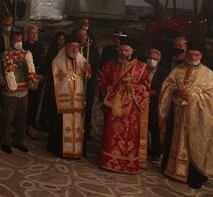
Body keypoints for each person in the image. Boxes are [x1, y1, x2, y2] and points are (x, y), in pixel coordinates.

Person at [159, 42, 212, 189]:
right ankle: (171, 169)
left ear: (201, 56)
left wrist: (191, 96)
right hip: (177, 115)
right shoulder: (178, 69)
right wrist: (175, 91)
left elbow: (211, 98)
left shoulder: (208, 74)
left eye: (196, 55)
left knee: (193, 144)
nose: (193, 57)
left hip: (196, 119)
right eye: (190, 54)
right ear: (186, 54)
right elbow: (167, 85)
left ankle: (194, 176)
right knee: (173, 140)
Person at [98, 35, 149, 173]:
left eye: (126, 50)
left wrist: (132, 88)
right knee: (111, 133)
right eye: (121, 50)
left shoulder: (141, 67)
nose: (123, 53)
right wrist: (108, 89)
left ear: (132, 51)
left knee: (129, 136)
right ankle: (108, 161)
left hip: (131, 109)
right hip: (113, 105)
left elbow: (146, 87)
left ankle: (127, 164)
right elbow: (102, 79)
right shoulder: (110, 64)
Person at [47, 32, 90, 159]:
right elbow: (54, 82)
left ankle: (77, 150)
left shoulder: (82, 60)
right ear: (66, 47)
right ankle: (60, 150)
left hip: (78, 100)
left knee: (78, 126)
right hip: (62, 101)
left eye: (77, 46)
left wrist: (89, 71)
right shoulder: (57, 61)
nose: (74, 49)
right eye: (72, 46)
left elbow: (87, 78)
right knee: (61, 126)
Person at [0, 32, 38, 154]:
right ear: (11, 41)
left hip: (24, 93)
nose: (18, 42)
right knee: (7, 119)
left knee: (21, 118)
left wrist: (33, 80)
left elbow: (31, 71)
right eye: (16, 39)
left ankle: (19, 141)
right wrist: (4, 84)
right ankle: (5, 141)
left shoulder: (27, 54)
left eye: (20, 39)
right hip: (9, 94)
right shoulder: (5, 54)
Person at [145, 48, 168, 163]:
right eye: (150, 58)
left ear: (159, 61)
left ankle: (156, 153)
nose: (152, 60)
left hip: (155, 105)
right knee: (143, 129)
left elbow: (166, 90)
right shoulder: (141, 69)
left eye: (154, 59)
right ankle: (144, 150)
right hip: (142, 104)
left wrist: (156, 93)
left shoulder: (163, 74)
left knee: (155, 130)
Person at [23, 25, 46, 139]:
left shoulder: (40, 46)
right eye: (32, 33)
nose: (34, 35)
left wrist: (42, 75)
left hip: (38, 78)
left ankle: (31, 124)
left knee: (35, 102)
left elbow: (43, 61)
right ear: (27, 34)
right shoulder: (23, 46)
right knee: (27, 102)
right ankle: (24, 124)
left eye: (36, 33)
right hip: (26, 79)